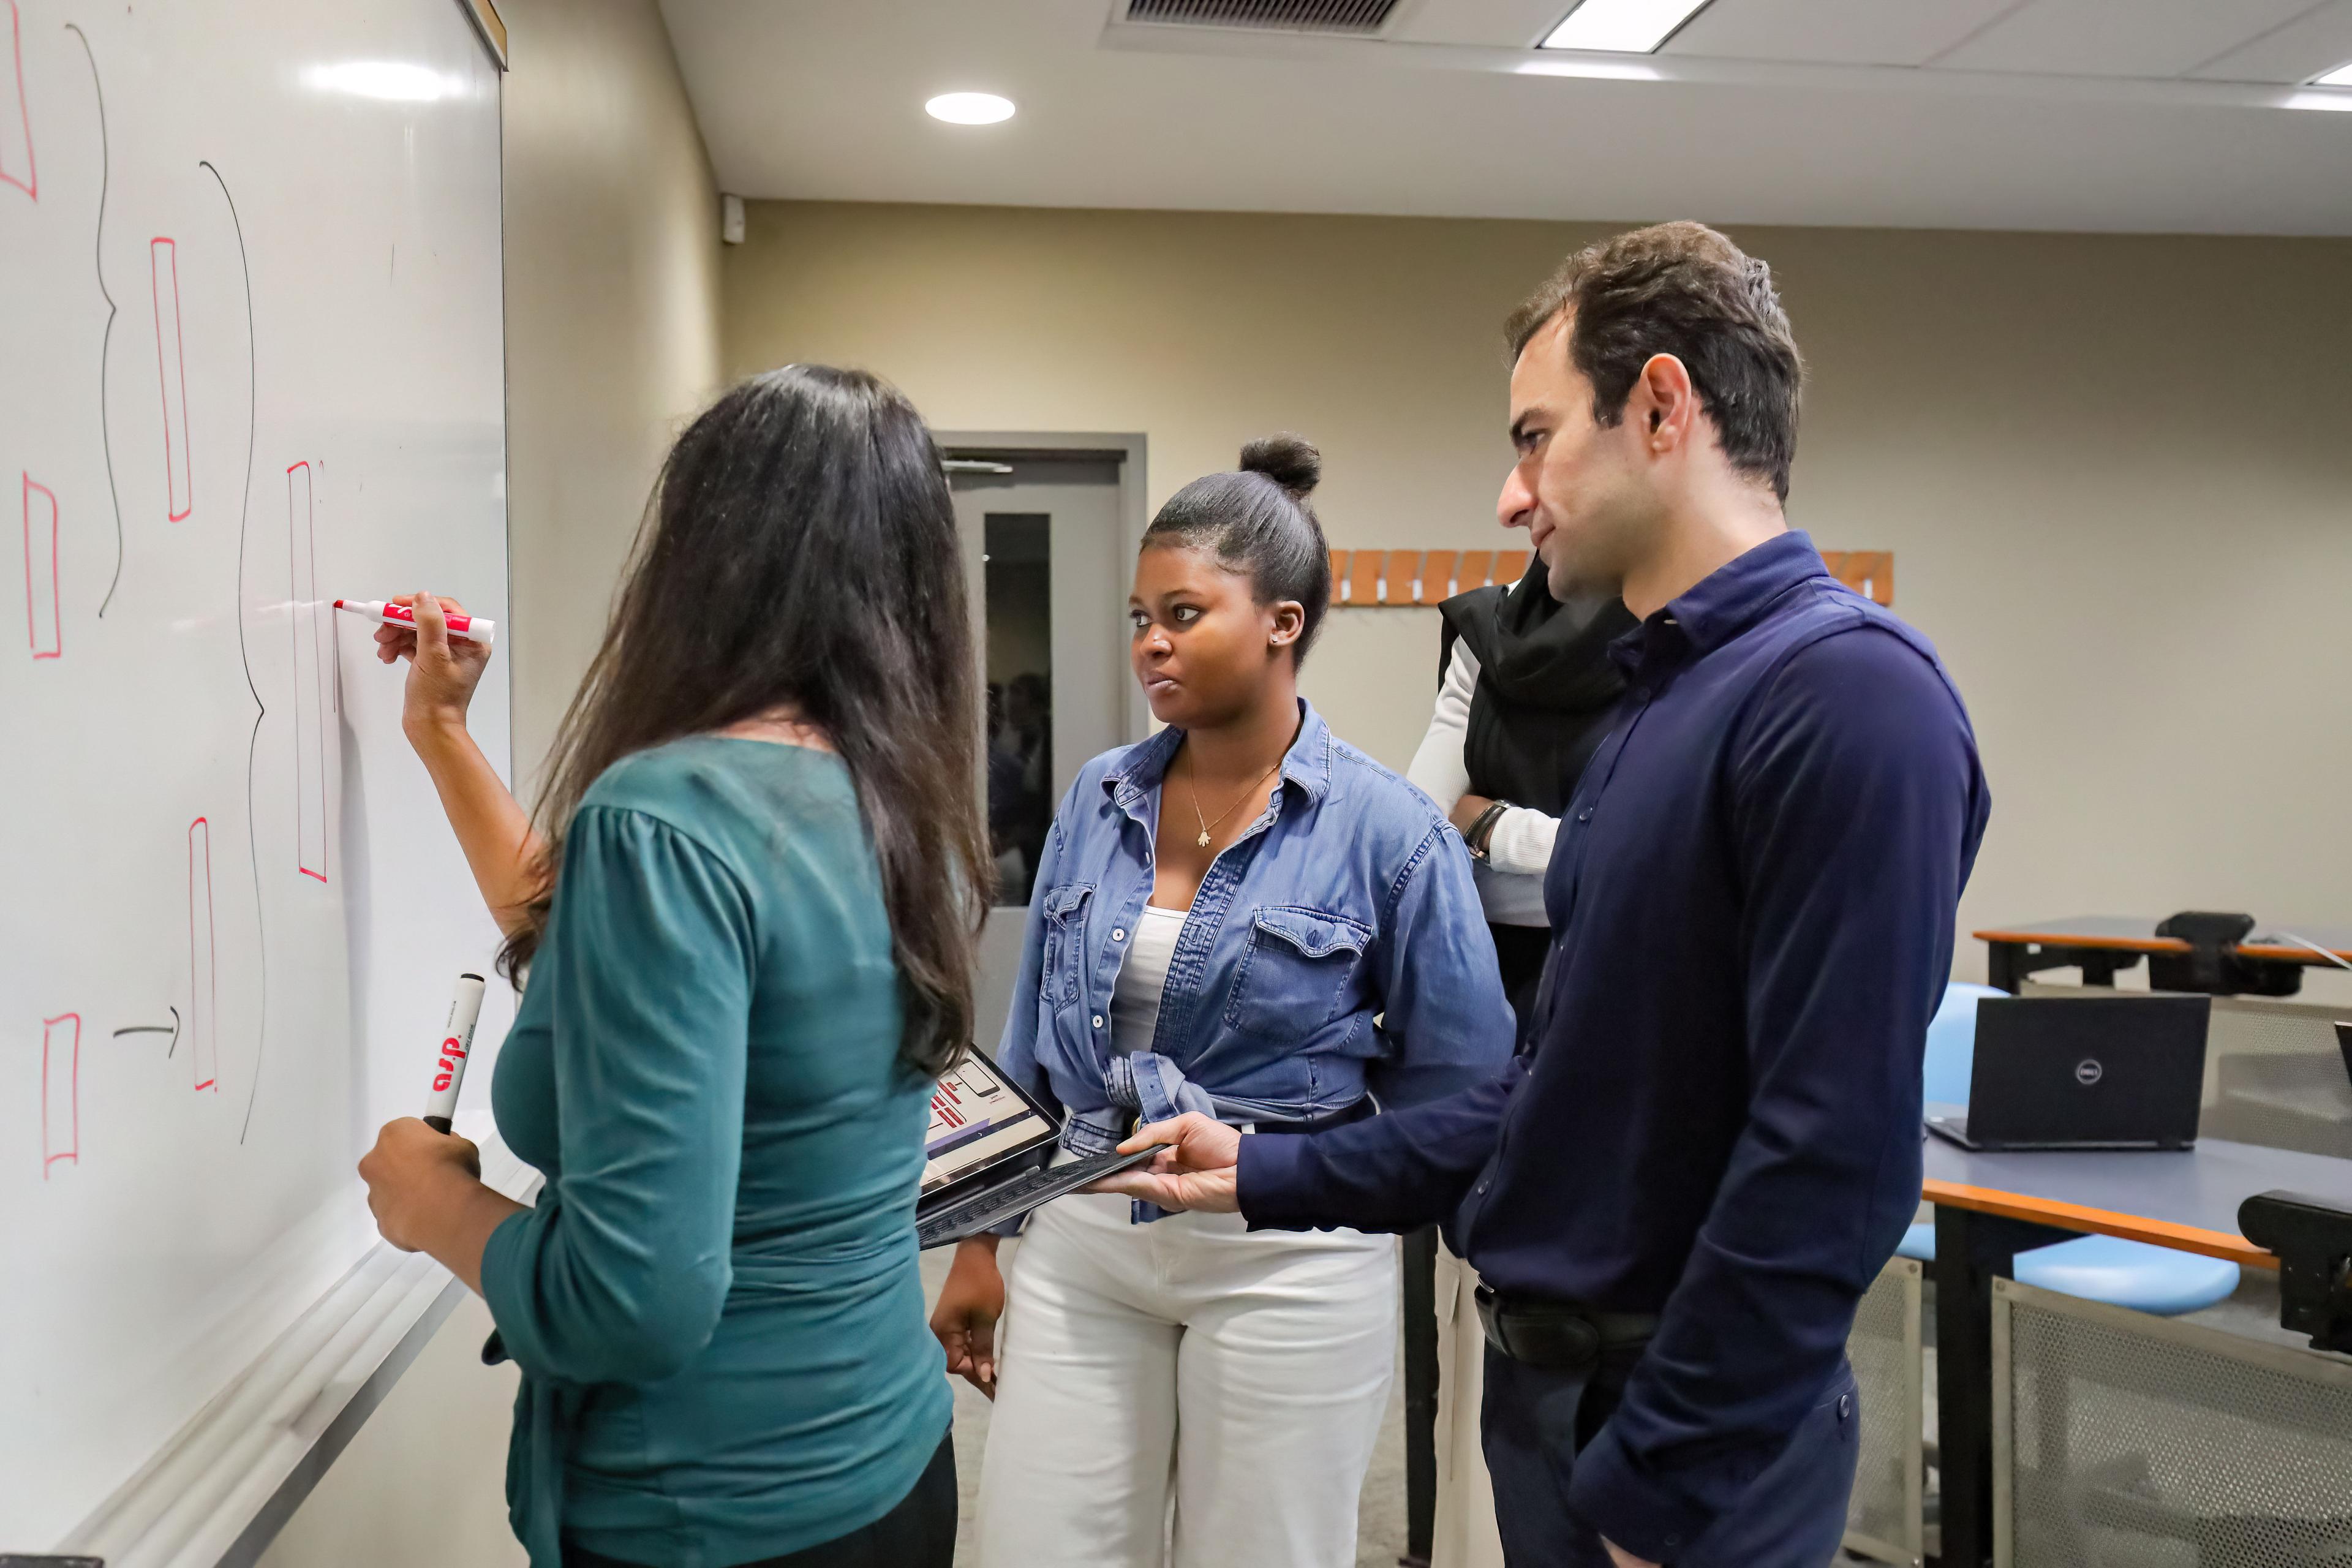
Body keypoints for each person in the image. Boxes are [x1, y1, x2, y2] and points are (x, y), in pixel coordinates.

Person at [1104, 224, 1992, 1568]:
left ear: (1662, 405)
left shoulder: (1847, 698)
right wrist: (1276, 1167)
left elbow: (1832, 1156)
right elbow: (1560, 1083)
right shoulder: (1660, 700)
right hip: (1561, 1406)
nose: (1515, 496)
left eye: (1535, 436)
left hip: (1684, 1439)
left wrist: (1665, 1484)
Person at [353, 365, 989, 1568]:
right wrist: (442, 734)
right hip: (889, 1466)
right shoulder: (901, 805)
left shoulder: (668, 813)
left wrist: (437, 1204)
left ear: (704, 557)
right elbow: (610, 928)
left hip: (711, 1512)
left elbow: (635, 1297)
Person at [929, 435, 1516, 1568]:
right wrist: (981, 1237)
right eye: (1141, 616)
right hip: (1086, 1233)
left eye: (1185, 614)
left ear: (1282, 622)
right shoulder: (1099, 798)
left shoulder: (1389, 832)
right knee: (1038, 1545)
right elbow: (1030, 1044)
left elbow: (1463, 1090)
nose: (1153, 641)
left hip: (1287, 1253)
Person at [1404, 566, 1635, 1568]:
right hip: (1492, 1008)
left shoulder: (1680, 641)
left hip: (1630, 1004)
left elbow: (1645, 857)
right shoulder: (1482, 635)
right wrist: (1582, 858)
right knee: (1489, 1331)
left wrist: (1496, 826)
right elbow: (1419, 823)